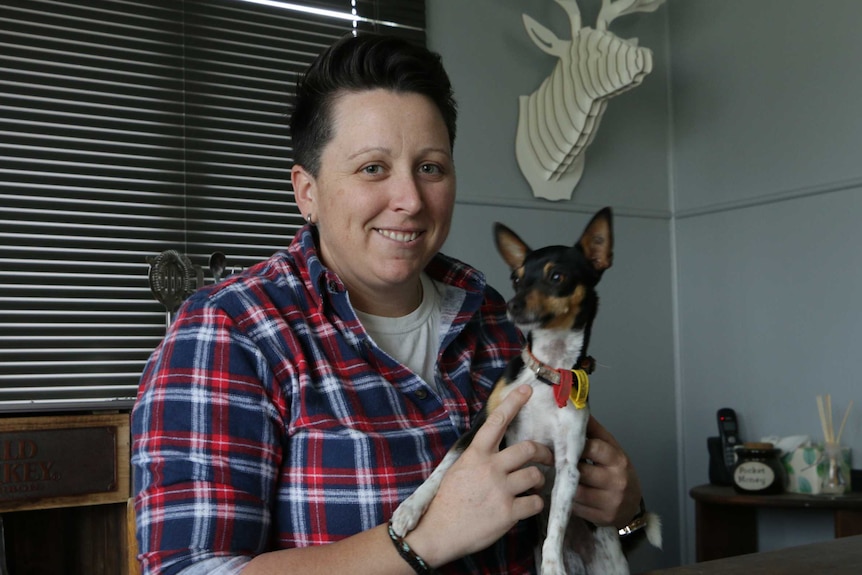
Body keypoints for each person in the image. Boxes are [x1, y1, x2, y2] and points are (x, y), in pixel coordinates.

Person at [131, 33, 645, 575]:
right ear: (307, 192)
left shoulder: (496, 319)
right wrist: (420, 541)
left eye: (431, 168)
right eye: (373, 167)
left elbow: (565, 531)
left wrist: (625, 510)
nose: (410, 200)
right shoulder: (230, 332)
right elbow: (188, 569)